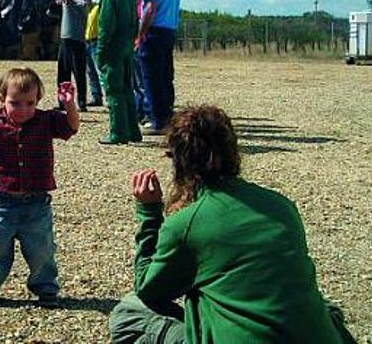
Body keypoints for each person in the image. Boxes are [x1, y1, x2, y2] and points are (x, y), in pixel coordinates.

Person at [108, 105, 356, 344]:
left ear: (179, 161)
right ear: (233, 150)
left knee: (128, 313)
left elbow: (148, 290)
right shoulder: (282, 205)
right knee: (324, 308)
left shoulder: (186, 224)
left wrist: (149, 212)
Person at [0, 67, 79, 308]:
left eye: (30, 103)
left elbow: (70, 127)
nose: (24, 109)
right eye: (15, 103)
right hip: (2, 202)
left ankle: (45, 288)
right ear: (2, 99)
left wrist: (70, 105)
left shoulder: (45, 120)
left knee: (41, 250)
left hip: (36, 202)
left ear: (38, 101)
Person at [92, 0, 141, 145]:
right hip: (128, 48)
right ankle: (133, 131)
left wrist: (101, 53)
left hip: (113, 50)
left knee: (113, 91)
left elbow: (106, 28)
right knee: (128, 89)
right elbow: (136, 20)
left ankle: (118, 133)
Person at [135, 0, 180, 135]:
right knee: (165, 75)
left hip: (153, 32)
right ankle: (167, 116)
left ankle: (156, 120)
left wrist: (140, 33)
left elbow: (149, 8)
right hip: (169, 31)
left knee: (151, 78)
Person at [55, 0, 89, 111]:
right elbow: (49, 13)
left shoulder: (81, 6)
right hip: (64, 42)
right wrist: (55, 4)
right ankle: (62, 102)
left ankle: (82, 103)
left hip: (77, 42)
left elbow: (85, 3)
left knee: (79, 74)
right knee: (62, 74)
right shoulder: (66, 6)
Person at [129, 0, 150, 123]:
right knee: (136, 82)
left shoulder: (142, 5)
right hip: (134, 46)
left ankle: (146, 112)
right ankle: (138, 111)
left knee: (142, 82)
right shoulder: (136, 4)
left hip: (141, 45)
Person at [83, 0, 104, 107]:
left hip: (96, 41)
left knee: (100, 70)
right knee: (90, 72)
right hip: (87, 42)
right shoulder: (84, 12)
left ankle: (107, 97)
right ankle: (96, 97)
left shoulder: (97, 8)